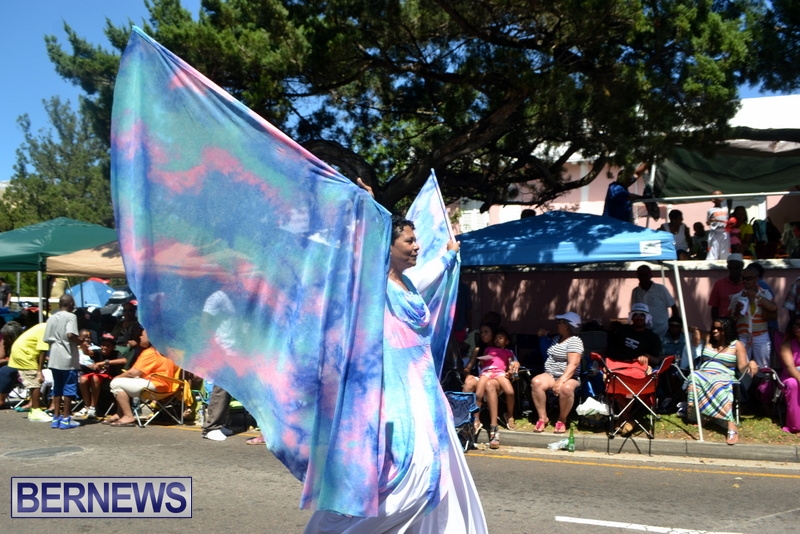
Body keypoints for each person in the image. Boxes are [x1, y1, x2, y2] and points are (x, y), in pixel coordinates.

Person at [303, 214, 487, 533]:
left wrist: (449, 255)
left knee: (438, 467)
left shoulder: (409, 284)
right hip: (396, 395)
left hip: (426, 393)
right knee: (412, 475)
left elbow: (430, 274)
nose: (417, 247)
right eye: (409, 241)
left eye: (416, 240)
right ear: (386, 247)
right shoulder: (374, 288)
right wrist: (365, 212)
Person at [685, 318, 757, 445]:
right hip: (704, 373)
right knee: (694, 376)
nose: (715, 331)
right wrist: (696, 331)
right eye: (713, 328)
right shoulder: (709, 339)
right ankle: (707, 414)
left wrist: (751, 363)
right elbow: (686, 328)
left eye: (719, 329)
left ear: (728, 330)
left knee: (718, 384)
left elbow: (742, 367)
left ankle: (730, 424)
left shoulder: (736, 345)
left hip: (724, 375)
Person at [105, 329, 178, 427]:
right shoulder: (168, 352)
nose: (140, 337)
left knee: (116, 383)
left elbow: (132, 373)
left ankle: (128, 416)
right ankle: (119, 414)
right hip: (166, 387)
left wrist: (117, 377)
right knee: (122, 385)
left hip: (155, 385)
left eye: (143, 335)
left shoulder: (150, 352)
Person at [531, 312, 584, 434]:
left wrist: (561, 381)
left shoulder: (575, 341)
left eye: (559, 322)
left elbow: (573, 364)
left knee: (566, 388)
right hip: (550, 374)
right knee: (536, 382)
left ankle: (562, 419)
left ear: (567, 325)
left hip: (570, 377)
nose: (557, 324)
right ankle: (542, 417)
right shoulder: (557, 339)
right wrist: (542, 337)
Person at [473, 326, 518, 449]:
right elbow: (481, 362)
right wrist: (483, 359)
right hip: (486, 371)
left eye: (501, 338)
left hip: (500, 373)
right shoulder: (489, 349)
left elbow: (511, 363)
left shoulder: (508, 352)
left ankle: (509, 414)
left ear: (507, 342)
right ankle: (476, 420)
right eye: (496, 338)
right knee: (478, 394)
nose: (497, 340)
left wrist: (511, 370)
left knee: (510, 391)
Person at [0, 322, 52, 422]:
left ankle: (35, 409)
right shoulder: (44, 329)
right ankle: (35, 411)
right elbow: (42, 350)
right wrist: (39, 370)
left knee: (34, 382)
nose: (6, 339)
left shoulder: (41, 329)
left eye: (8, 337)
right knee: (34, 382)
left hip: (27, 359)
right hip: (24, 358)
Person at [44, 294, 82, 430]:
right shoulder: (71, 316)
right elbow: (70, 334)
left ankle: (56, 417)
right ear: (71, 304)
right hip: (67, 357)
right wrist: (80, 342)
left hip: (54, 356)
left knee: (57, 388)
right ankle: (66, 418)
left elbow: (46, 338)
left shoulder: (52, 317)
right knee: (69, 388)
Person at [728, 264, 778, 368]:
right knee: (743, 366)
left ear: (756, 279)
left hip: (761, 335)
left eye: (749, 278)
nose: (745, 281)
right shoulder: (737, 296)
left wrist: (756, 295)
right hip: (743, 336)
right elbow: (732, 319)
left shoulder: (765, 293)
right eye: (743, 278)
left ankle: (761, 379)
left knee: (763, 366)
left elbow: (773, 308)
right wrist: (737, 311)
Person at [76, 335, 126, 419]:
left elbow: (124, 360)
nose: (105, 347)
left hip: (110, 376)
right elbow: (88, 352)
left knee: (95, 378)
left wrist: (104, 362)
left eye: (108, 345)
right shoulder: (98, 352)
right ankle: (87, 405)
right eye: (103, 345)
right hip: (97, 374)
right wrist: (84, 347)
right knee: (83, 379)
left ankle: (93, 407)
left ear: (113, 347)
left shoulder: (116, 353)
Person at [608, 303, 663, 368]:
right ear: (631, 317)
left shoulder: (653, 338)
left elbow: (658, 360)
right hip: (618, 367)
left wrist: (648, 357)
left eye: (642, 315)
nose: (639, 317)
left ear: (647, 318)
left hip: (640, 369)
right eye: (635, 315)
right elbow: (609, 351)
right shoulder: (621, 331)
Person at [631, 264, 678, 338]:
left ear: (650, 276)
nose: (644, 278)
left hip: (662, 330)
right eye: (641, 275)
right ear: (638, 277)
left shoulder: (661, 289)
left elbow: (673, 306)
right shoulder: (635, 291)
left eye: (646, 275)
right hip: (644, 331)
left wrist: (673, 325)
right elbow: (634, 311)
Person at [778, 317, 800, 433]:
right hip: (790, 376)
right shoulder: (787, 344)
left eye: (799, 325)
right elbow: (790, 367)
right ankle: (796, 426)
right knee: (793, 383)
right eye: (795, 325)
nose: (796, 327)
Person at [708, 253, 745, 321]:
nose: (734, 270)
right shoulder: (719, 284)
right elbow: (714, 307)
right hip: (724, 321)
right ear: (728, 267)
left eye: (736, 267)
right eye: (731, 267)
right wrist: (715, 323)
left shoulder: (747, 284)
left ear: (742, 267)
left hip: (743, 321)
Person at [706, 190, 730, 260]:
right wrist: (710, 220)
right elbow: (707, 222)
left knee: (724, 250)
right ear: (713, 199)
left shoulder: (726, 208)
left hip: (725, 232)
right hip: (715, 232)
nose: (721, 196)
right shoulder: (711, 210)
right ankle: (712, 262)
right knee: (714, 249)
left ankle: (724, 261)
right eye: (718, 195)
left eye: (721, 195)